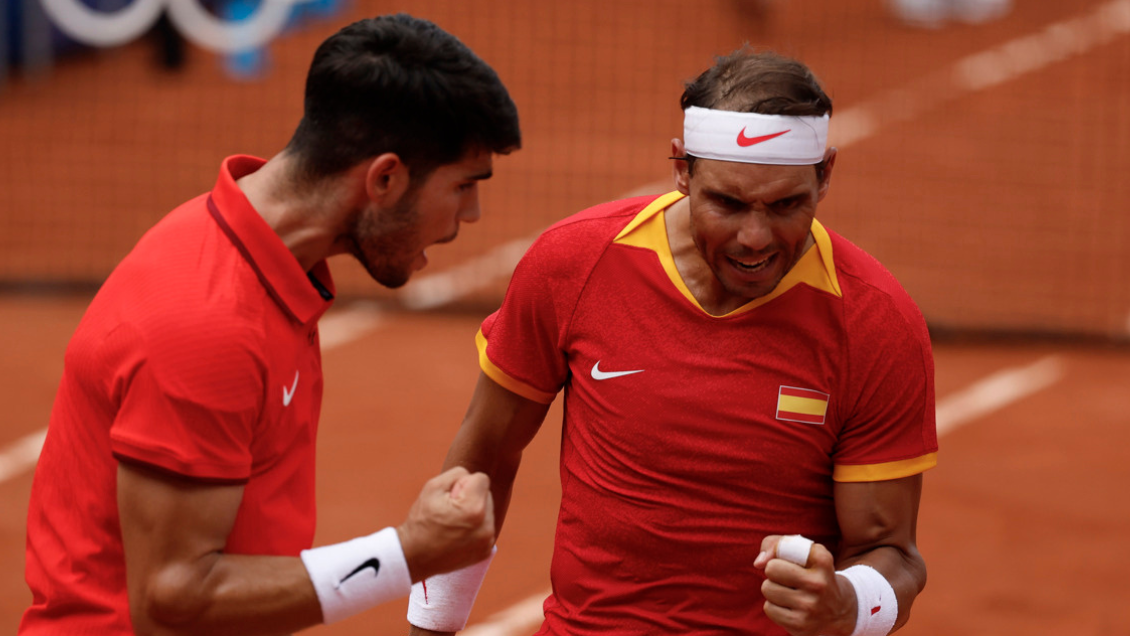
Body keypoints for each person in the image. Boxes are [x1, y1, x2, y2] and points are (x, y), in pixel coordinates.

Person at [407, 49, 937, 636]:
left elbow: (893, 552)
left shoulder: (876, 324)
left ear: (826, 174)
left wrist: (849, 606)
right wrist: (430, 628)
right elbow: (481, 464)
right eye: (727, 203)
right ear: (682, 169)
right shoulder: (574, 264)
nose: (755, 237)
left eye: (786, 205)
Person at [20, 13, 520, 636]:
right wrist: (408, 553)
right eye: (464, 186)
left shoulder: (268, 263)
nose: (471, 215)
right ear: (385, 178)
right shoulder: (206, 324)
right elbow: (173, 599)